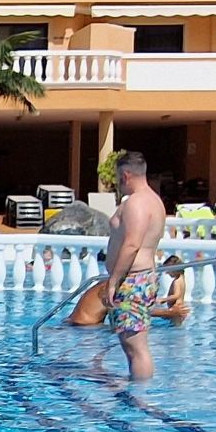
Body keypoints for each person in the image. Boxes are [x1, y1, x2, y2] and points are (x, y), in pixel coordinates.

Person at [69, 151, 167, 382]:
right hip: (141, 278)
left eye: (116, 178)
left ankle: (140, 398)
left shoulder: (137, 203)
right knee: (133, 344)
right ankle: (139, 392)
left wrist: (114, 281)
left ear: (125, 175)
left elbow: (132, 244)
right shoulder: (154, 200)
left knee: (135, 346)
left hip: (132, 280)